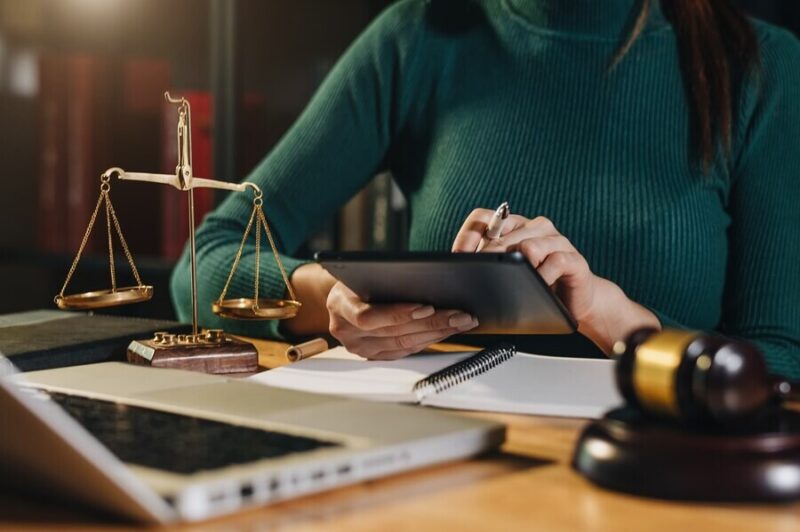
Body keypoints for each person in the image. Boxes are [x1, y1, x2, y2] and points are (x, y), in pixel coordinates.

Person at [171, 0, 800, 379]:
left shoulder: (761, 68)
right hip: (436, 459)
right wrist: (331, 299)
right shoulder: (419, 37)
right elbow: (204, 263)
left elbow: (785, 359)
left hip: (653, 479)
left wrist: (619, 322)